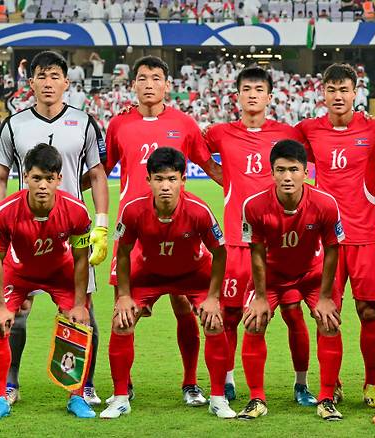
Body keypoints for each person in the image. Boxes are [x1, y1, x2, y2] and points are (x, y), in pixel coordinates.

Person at [0, 50, 109, 407]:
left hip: (72, 233)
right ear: (31, 83)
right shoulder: (15, 124)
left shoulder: (84, 122)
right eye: (41, 76)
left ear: (66, 83)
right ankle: (11, 384)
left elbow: (98, 175)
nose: (48, 83)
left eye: (55, 76)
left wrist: (100, 224)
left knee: (82, 310)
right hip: (25, 233)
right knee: (17, 310)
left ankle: (84, 386)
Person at [104, 55, 221, 406]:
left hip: (179, 230)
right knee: (123, 311)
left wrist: (246, 186)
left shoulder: (184, 123)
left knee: (185, 308)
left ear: (167, 85)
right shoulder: (118, 124)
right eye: (142, 78)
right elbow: (100, 170)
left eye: (156, 77)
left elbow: (208, 165)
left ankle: (190, 383)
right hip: (134, 232)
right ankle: (123, 389)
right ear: (134, 85)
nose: (149, 83)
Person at [203, 67, 315, 405]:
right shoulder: (221, 133)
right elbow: (192, 149)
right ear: (237, 95)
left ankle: (301, 384)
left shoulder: (288, 134)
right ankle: (227, 380)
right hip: (238, 242)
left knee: (292, 313)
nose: (252, 94)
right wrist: (226, 179)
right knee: (232, 316)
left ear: (269, 97)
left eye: (259, 89)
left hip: (281, 245)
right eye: (246, 88)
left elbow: (316, 152)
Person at [100, 147, 235, 419]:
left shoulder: (198, 210)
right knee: (121, 321)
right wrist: (124, 295)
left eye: (172, 179)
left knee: (215, 321)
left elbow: (220, 252)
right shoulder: (133, 209)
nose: (165, 186)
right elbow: (123, 253)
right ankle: (121, 397)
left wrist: (212, 297)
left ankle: (217, 398)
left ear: (183, 181)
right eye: (159, 179)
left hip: (193, 274)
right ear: (148, 180)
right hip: (148, 273)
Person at [297, 63, 375, 408]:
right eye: (332, 90)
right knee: (327, 314)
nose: (338, 96)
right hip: (325, 241)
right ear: (322, 93)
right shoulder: (308, 130)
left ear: (356, 92)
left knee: (370, 313)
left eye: (344, 90)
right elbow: (273, 140)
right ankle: (330, 385)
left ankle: (371, 384)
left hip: (366, 237)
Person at [0, 144, 95, 421]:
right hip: (19, 273)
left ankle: (77, 396)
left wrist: (80, 304)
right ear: (25, 177)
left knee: (81, 321)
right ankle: (0, 398)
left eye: (49, 178)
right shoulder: (6, 211)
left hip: (61, 273)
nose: (42, 185)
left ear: (59, 178)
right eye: (36, 178)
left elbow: (82, 259)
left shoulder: (77, 211)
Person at [237, 140, 345, 421]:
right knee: (253, 321)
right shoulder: (254, 206)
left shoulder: (324, 203)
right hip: (271, 277)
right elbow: (257, 255)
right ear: (271, 173)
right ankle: (256, 398)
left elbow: (333, 249)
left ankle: (325, 397)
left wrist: (324, 297)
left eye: (294, 170)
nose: (287, 177)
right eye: (281, 170)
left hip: (311, 275)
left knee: (329, 322)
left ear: (305, 172)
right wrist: (260, 298)